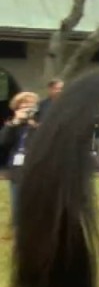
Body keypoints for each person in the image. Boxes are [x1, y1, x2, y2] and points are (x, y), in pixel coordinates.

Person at [1, 91, 40, 221]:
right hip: (17, 171)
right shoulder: (13, 126)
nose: (27, 109)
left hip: (35, 169)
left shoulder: (39, 125)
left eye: (30, 105)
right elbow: (3, 142)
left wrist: (33, 125)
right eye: (23, 106)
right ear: (16, 109)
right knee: (17, 207)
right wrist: (15, 122)